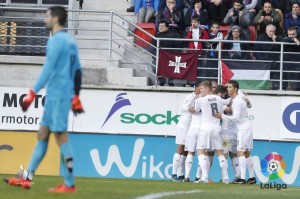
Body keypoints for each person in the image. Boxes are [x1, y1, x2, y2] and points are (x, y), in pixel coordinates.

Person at [4, 6, 84, 193]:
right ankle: (27, 178)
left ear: (55, 18)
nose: (44, 19)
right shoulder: (70, 41)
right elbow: (78, 70)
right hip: (58, 95)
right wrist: (77, 96)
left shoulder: (55, 41)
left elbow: (48, 69)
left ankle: (69, 183)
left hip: (58, 95)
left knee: (60, 136)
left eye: (47, 16)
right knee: (42, 134)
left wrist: (33, 92)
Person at [215, 80, 255, 184]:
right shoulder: (237, 98)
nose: (228, 89)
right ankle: (251, 177)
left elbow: (236, 117)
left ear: (235, 89)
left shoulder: (237, 101)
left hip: (241, 129)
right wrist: (248, 102)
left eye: (230, 87)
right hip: (244, 128)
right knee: (246, 153)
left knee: (240, 152)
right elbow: (249, 106)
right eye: (227, 87)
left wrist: (221, 115)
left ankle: (241, 178)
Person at [189, 80, 230, 184]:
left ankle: (205, 177)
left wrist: (190, 107)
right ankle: (226, 178)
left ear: (207, 88)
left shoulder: (201, 100)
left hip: (205, 128)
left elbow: (195, 110)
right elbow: (228, 103)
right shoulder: (219, 99)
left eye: (202, 88)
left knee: (201, 151)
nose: (200, 90)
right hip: (216, 128)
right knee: (220, 153)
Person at [180, 82, 202, 182]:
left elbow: (188, 108)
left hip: (193, 128)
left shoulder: (197, 99)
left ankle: (187, 176)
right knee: (201, 153)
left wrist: (192, 108)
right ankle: (198, 177)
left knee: (190, 152)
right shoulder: (205, 99)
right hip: (201, 129)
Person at [150, 20, 180, 86]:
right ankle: (162, 81)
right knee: (154, 67)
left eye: (163, 26)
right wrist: (155, 55)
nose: (160, 28)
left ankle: (170, 81)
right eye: (160, 26)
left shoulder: (174, 35)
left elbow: (178, 46)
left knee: (172, 67)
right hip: (159, 56)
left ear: (167, 27)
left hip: (171, 56)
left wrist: (172, 54)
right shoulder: (156, 36)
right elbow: (151, 47)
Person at [254, 24, 282, 90]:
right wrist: (262, 60)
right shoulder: (260, 38)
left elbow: (278, 51)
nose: (272, 33)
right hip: (262, 62)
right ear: (266, 31)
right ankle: (261, 88)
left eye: (273, 31)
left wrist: (275, 41)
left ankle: (275, 88)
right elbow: (256, 51)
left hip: (273, 62)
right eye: (270, 31)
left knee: (277, 67)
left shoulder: (278, 38)